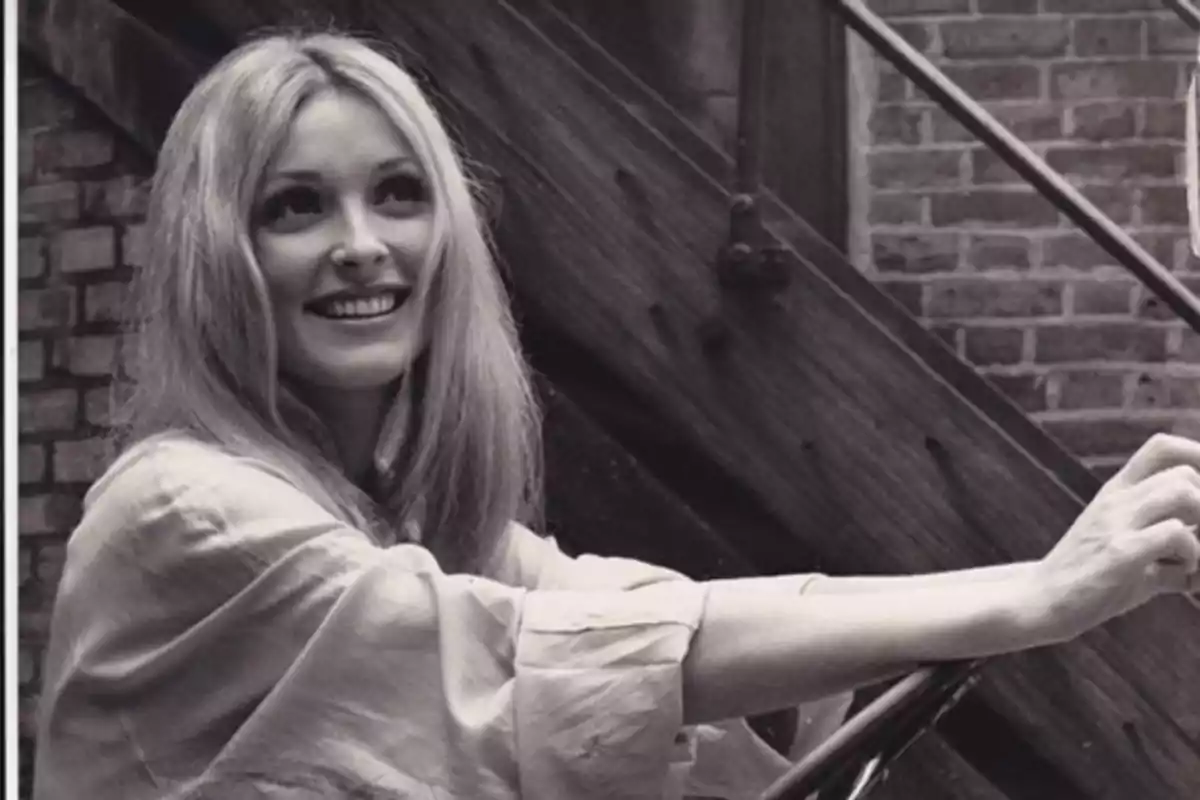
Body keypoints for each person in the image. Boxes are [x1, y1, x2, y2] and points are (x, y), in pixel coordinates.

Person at [31, 31, 1200, 800]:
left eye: (399, 193)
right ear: (216, 255)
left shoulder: (397, 503)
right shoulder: (186, 508)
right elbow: (540, 660)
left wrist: (1024, 585)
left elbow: (641, 614)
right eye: (294, 205)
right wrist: (1036, 596)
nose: (362, 245)